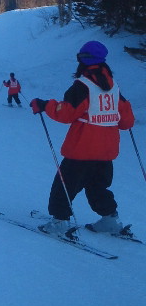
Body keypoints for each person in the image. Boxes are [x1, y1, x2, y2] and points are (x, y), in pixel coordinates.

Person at [30, 40, 134, 235]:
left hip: (81, 150)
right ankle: (110, 219)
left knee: (64, 186)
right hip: (106, 151)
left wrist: (45, 105)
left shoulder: (82, 85)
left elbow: (67, 114)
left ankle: (60, 222)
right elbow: (126, 121)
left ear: (83, 59)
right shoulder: (113, 86)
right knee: (98, 187)